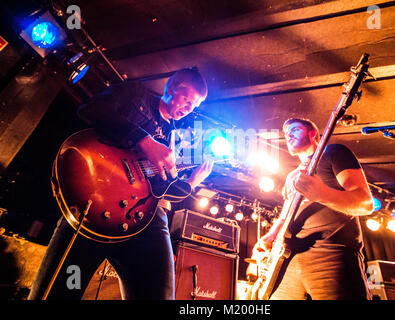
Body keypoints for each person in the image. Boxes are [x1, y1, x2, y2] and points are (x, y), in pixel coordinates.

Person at [28, 68, 214, 300]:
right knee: (55, 294)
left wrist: (193, 181)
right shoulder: (136, 95)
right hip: (93, 207)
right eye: (187, 100)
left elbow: (161, 189)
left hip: (145, 220)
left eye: (194, 106)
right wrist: (145, 141)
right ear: (171, 88)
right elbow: (91, 109)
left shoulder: (176, 137)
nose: (188, 109)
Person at [251, 117, 374, 300]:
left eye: (295, 130)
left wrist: (322, 193)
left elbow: (365, 203)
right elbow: (285, 217)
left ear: (313, 134)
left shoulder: (333, 153)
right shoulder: (292, 175)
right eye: (286, 133)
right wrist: (269, 238)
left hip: (330, 253)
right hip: (289, 257)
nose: (288, 135)